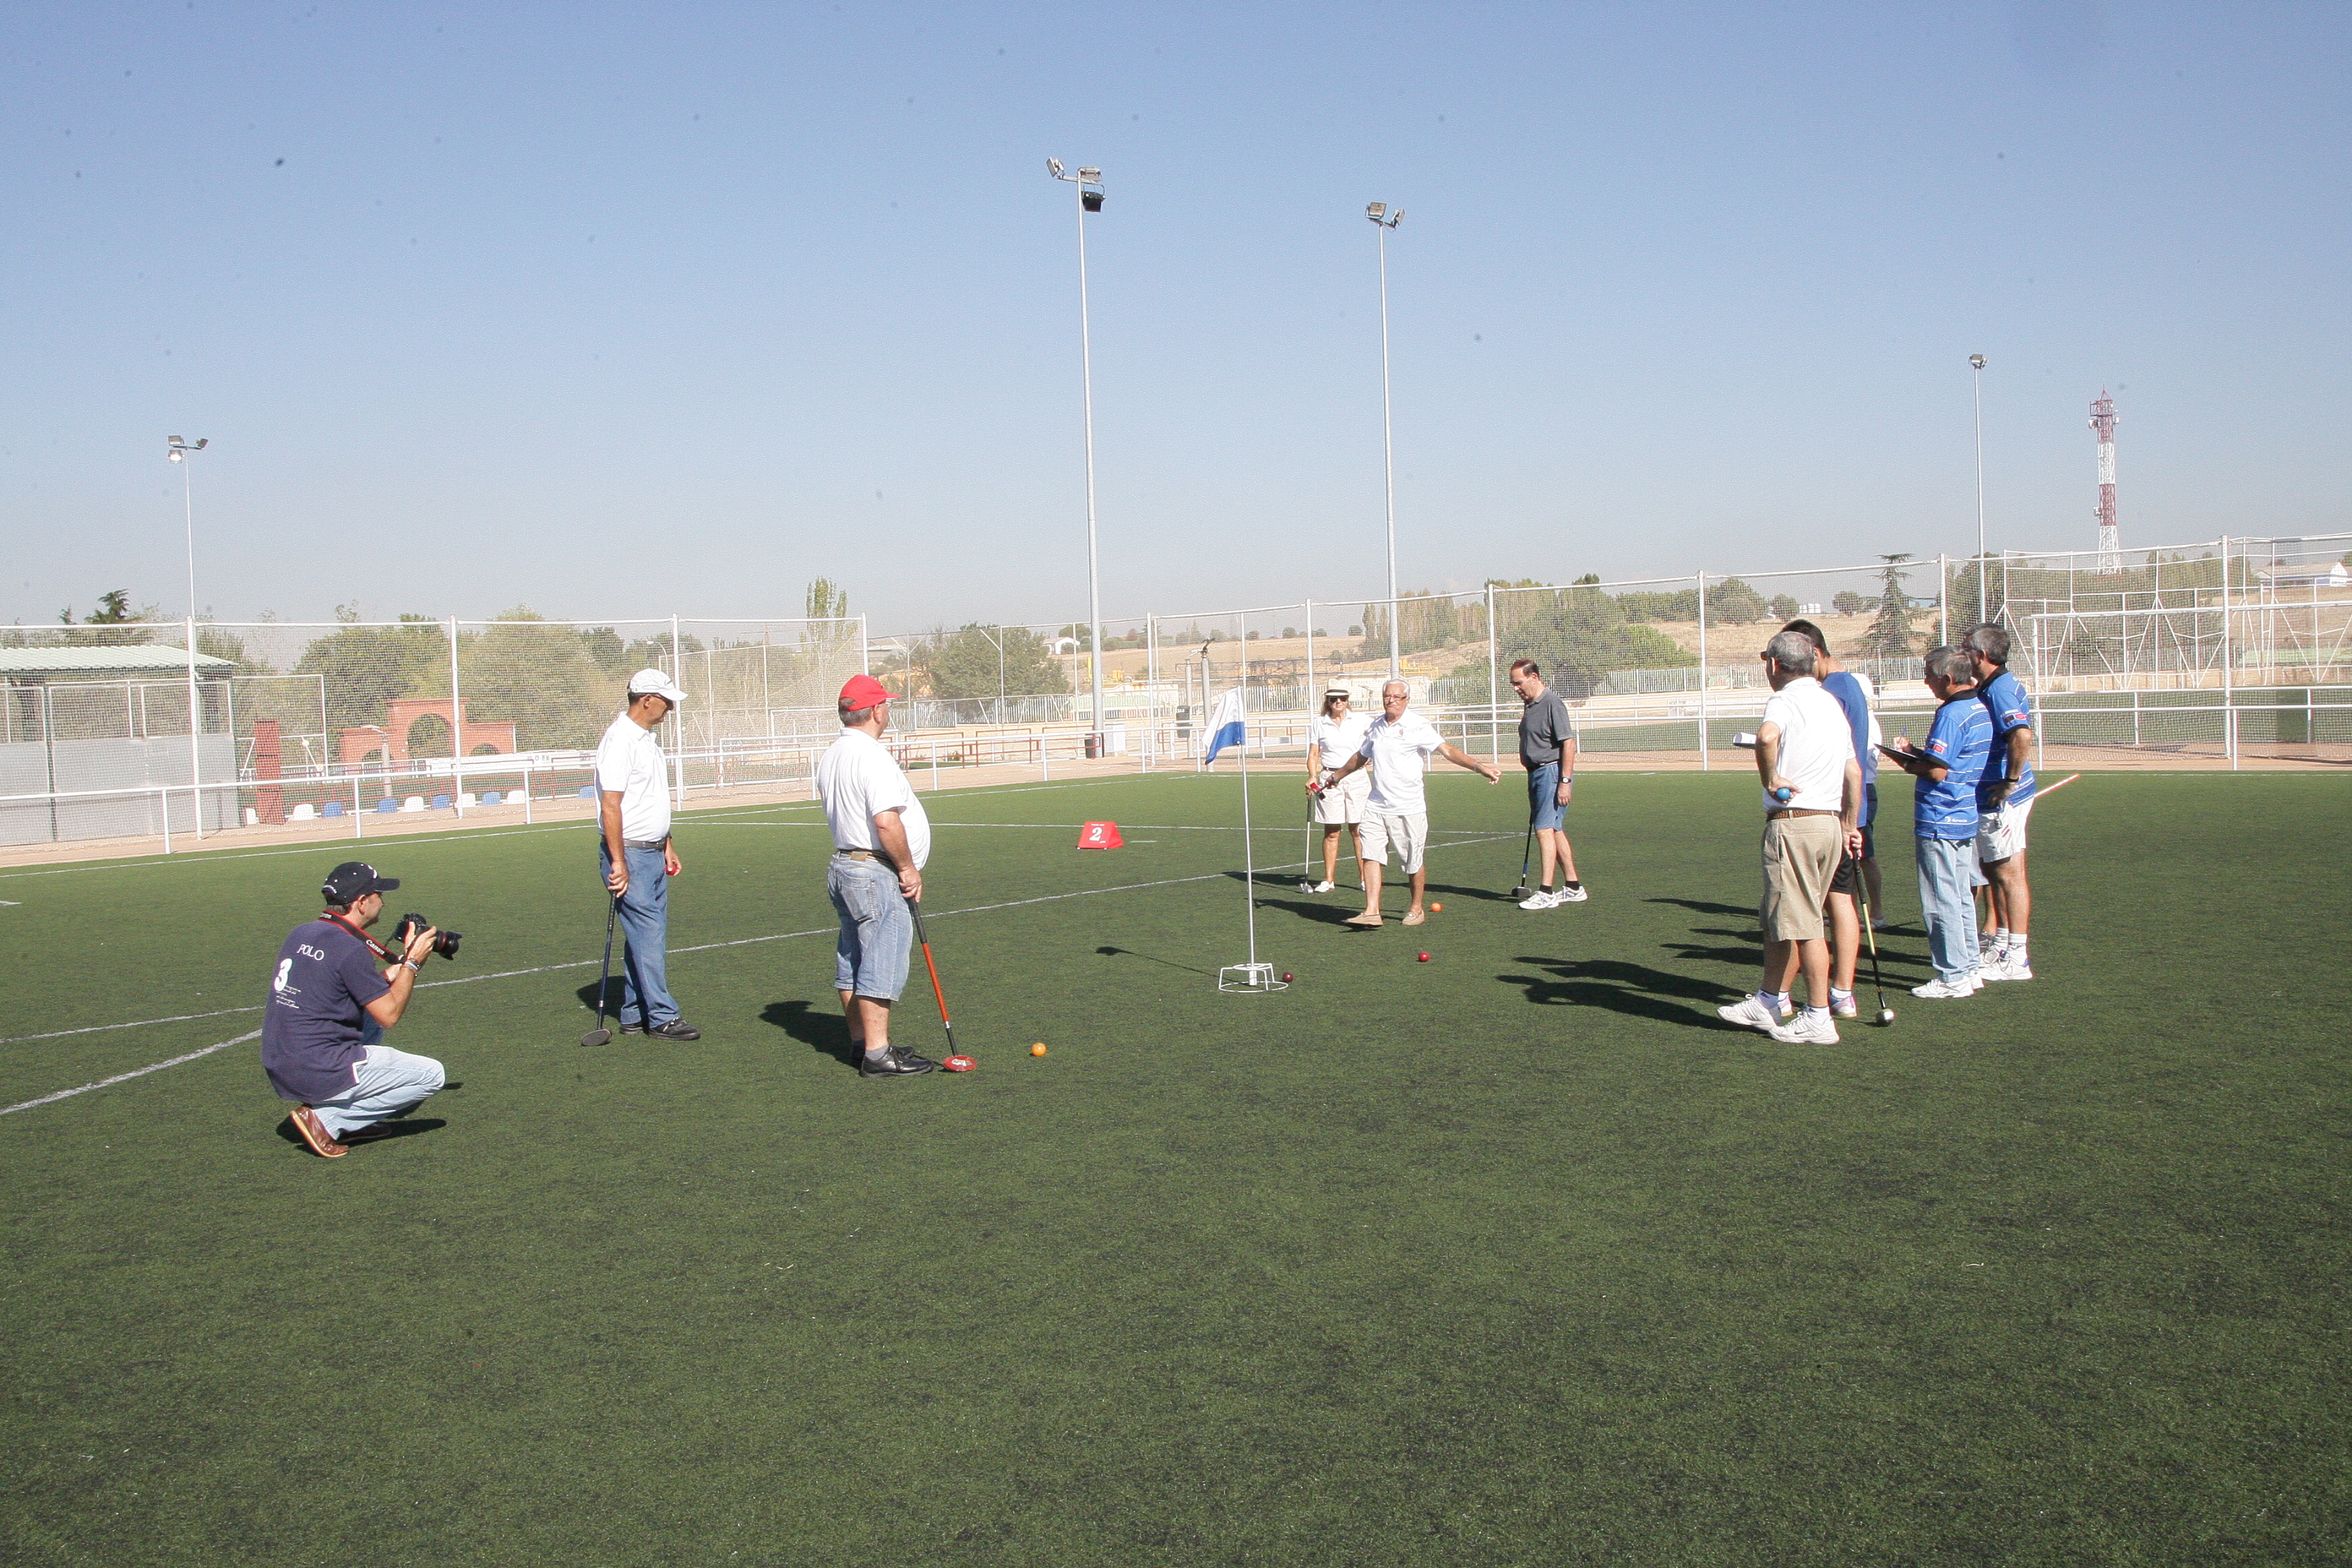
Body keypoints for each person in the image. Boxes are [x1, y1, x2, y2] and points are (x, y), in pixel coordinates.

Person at [1716, 630, 1863, 1045]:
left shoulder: (1784, 699)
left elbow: (1766, 737)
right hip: (1829, 823)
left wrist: (1771, 778)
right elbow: (1853, 773)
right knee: (1778, 915)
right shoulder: (1830, 702)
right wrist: (1850, 825)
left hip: (1795, 823)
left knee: (1804, 924)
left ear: (1775, 664)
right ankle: (1768, 999)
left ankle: (1818, 1016)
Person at [262, 861, 448, 1158]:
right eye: (378, 895)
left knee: (368, 1016)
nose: (383, 903)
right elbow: (389, 1015)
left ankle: (343, 1113)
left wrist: (395, 970)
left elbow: (341, 984)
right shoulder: (350, 949)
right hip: (316, 1069)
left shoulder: (302, 933)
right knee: (431, 1075)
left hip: (280, 1061)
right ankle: (327, 1120)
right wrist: (412, 963)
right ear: (362, 902)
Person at [815, 673, 939, 1077]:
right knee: (880, 959)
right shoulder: (871, 756)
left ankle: (862, 1044)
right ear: (876, 712)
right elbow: (886, 821)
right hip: (873, 871)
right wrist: (908, 868)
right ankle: (878, 1054)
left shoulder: (834, 752)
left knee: (853, 957)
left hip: (845, 866)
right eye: (885, 704)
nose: (887, 710)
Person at [1318, 679, 1500, 928]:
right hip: (1376, 805)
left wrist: (1479, 767)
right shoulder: (1377, 726)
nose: (1391, 700)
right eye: (1387, 696)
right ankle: (1372, 911)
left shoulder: (1418, 725)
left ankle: (1416, 908)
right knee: (1370, 855)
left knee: (1412, 862)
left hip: (1408, 807)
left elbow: (1446, 750)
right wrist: (1337, 776)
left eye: (1397, 696)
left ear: (1407, 700)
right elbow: (1361, 756)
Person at [1884, 647, 1995, 997]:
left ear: (1947, 678)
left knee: (1940, 898)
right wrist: (1915, 752)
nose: (1926, 682)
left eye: (1929, 675)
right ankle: (1970, 966)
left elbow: (1937, 772)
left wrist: (1902, 760)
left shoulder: (1951, 713)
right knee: (1961, 895)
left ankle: (1953, 975)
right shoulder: (1978, 708)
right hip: (1964, 815)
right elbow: (1947, 760)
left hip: (1941, 816)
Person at [596, 668, 698, 1041]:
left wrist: (666, 843)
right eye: (667, 701)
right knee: (649, 935)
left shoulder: (647, 740)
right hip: (631, 855)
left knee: (643, 935)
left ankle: (633, 1013)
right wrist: (618, 861)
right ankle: (662, 1016)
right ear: (647, 700)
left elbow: (649, 799)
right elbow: (611, 804)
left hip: (652, 852)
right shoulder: (620, 740)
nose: (670, 708)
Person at [1778, 621, 1872, 1017]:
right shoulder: (1847, 686)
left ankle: (1790, 997)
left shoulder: (1830, 691)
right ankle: (1841, 994)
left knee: (1809, 907)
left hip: (1829, 811)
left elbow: (1843, 761)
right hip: (1845, 808)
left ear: (1813, 652)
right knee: (1837, 900)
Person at [1963, 623, 2037, 981]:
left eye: (1967, 649)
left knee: (2009, 874)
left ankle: (2017, 957)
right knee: (1995, 871)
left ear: (1981, 655)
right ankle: (2003, 945)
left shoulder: (2001, 689)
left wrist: (2010, 782)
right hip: (1995, 796)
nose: (1963, 655)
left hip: (2004, 799)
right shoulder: (1993, 685)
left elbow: (2021, 734)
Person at [1507, 659, 1586, 909]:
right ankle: (1573, 887)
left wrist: (1565, 781)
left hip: (1550, 772)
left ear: (1534, 677)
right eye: (1513, 684)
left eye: (1519, 683)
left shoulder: (1552, 703)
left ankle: (1546, 891)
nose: (1516, 688)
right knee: (1554, 829)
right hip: (1536, 773)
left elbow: (1568, 743)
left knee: (1544, 830)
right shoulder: (1530, 705)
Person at [1303, 687, 1371, 892]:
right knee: (1332, 831)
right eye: (1334, 699)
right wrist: (1313, 776)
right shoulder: (1319, 723)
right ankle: (1328, 880)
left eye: (1342, 698)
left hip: (1356, 778)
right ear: (1328, 701)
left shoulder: (1361, 720)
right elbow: (1314, 754)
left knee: (1358, 830)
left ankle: (1365, 879)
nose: (1338, 702)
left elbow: (1378, 738)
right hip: (1329, 779)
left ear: (1347, 700)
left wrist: (1370, 756)